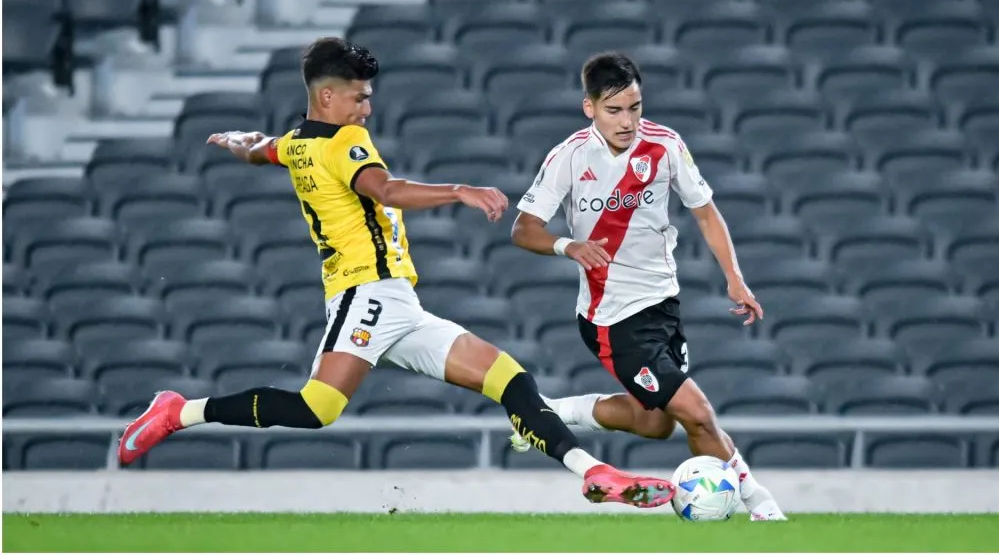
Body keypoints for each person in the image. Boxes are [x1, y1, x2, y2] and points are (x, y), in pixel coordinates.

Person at [116, 37, 676, 509]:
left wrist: (238, 140)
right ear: (328, 96)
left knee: (508, 378)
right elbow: (384, 189)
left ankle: (594, 472)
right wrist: (458, 190)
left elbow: (262, 148)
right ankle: (180, 411)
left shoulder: (297, 143)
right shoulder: (344, 141)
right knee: (316, 408)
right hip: (364, 294)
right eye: (359, 97)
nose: (366, 109)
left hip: (398, 304)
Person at [507, 52, 787, 520]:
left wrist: (735, 279)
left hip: (663, 305)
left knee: (654, 423)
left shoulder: (666, 145)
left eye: (635, 107)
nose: (627, 121)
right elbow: (523, 229)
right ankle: (762, 506)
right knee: (698, 413)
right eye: (614, 110)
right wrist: (568, 246)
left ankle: (549, 410)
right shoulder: (568, 157)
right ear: (589, 108)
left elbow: (706, 213)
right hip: (612, 317)